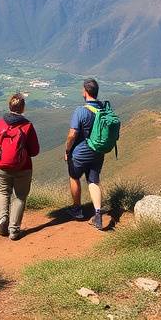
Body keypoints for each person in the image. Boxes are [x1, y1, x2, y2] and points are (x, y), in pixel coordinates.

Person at [0, 93, 40, 240]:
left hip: (2, 166)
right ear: (22, 108)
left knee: (3, 192)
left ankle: (2, 219)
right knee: (20, 197)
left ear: (9, 106)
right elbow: (35, 151)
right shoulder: (28, 126)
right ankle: (14, 230)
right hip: (23, 167)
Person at [64, 78, 105, 230]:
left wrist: (67, 150)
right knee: (93, 181)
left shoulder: (81, 111)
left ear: (86, 92)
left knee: (74, 177)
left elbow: (72, 133)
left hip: (81, 152)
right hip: (98, 152)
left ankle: (77, 209)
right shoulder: (103, 108)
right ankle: (98, 214)